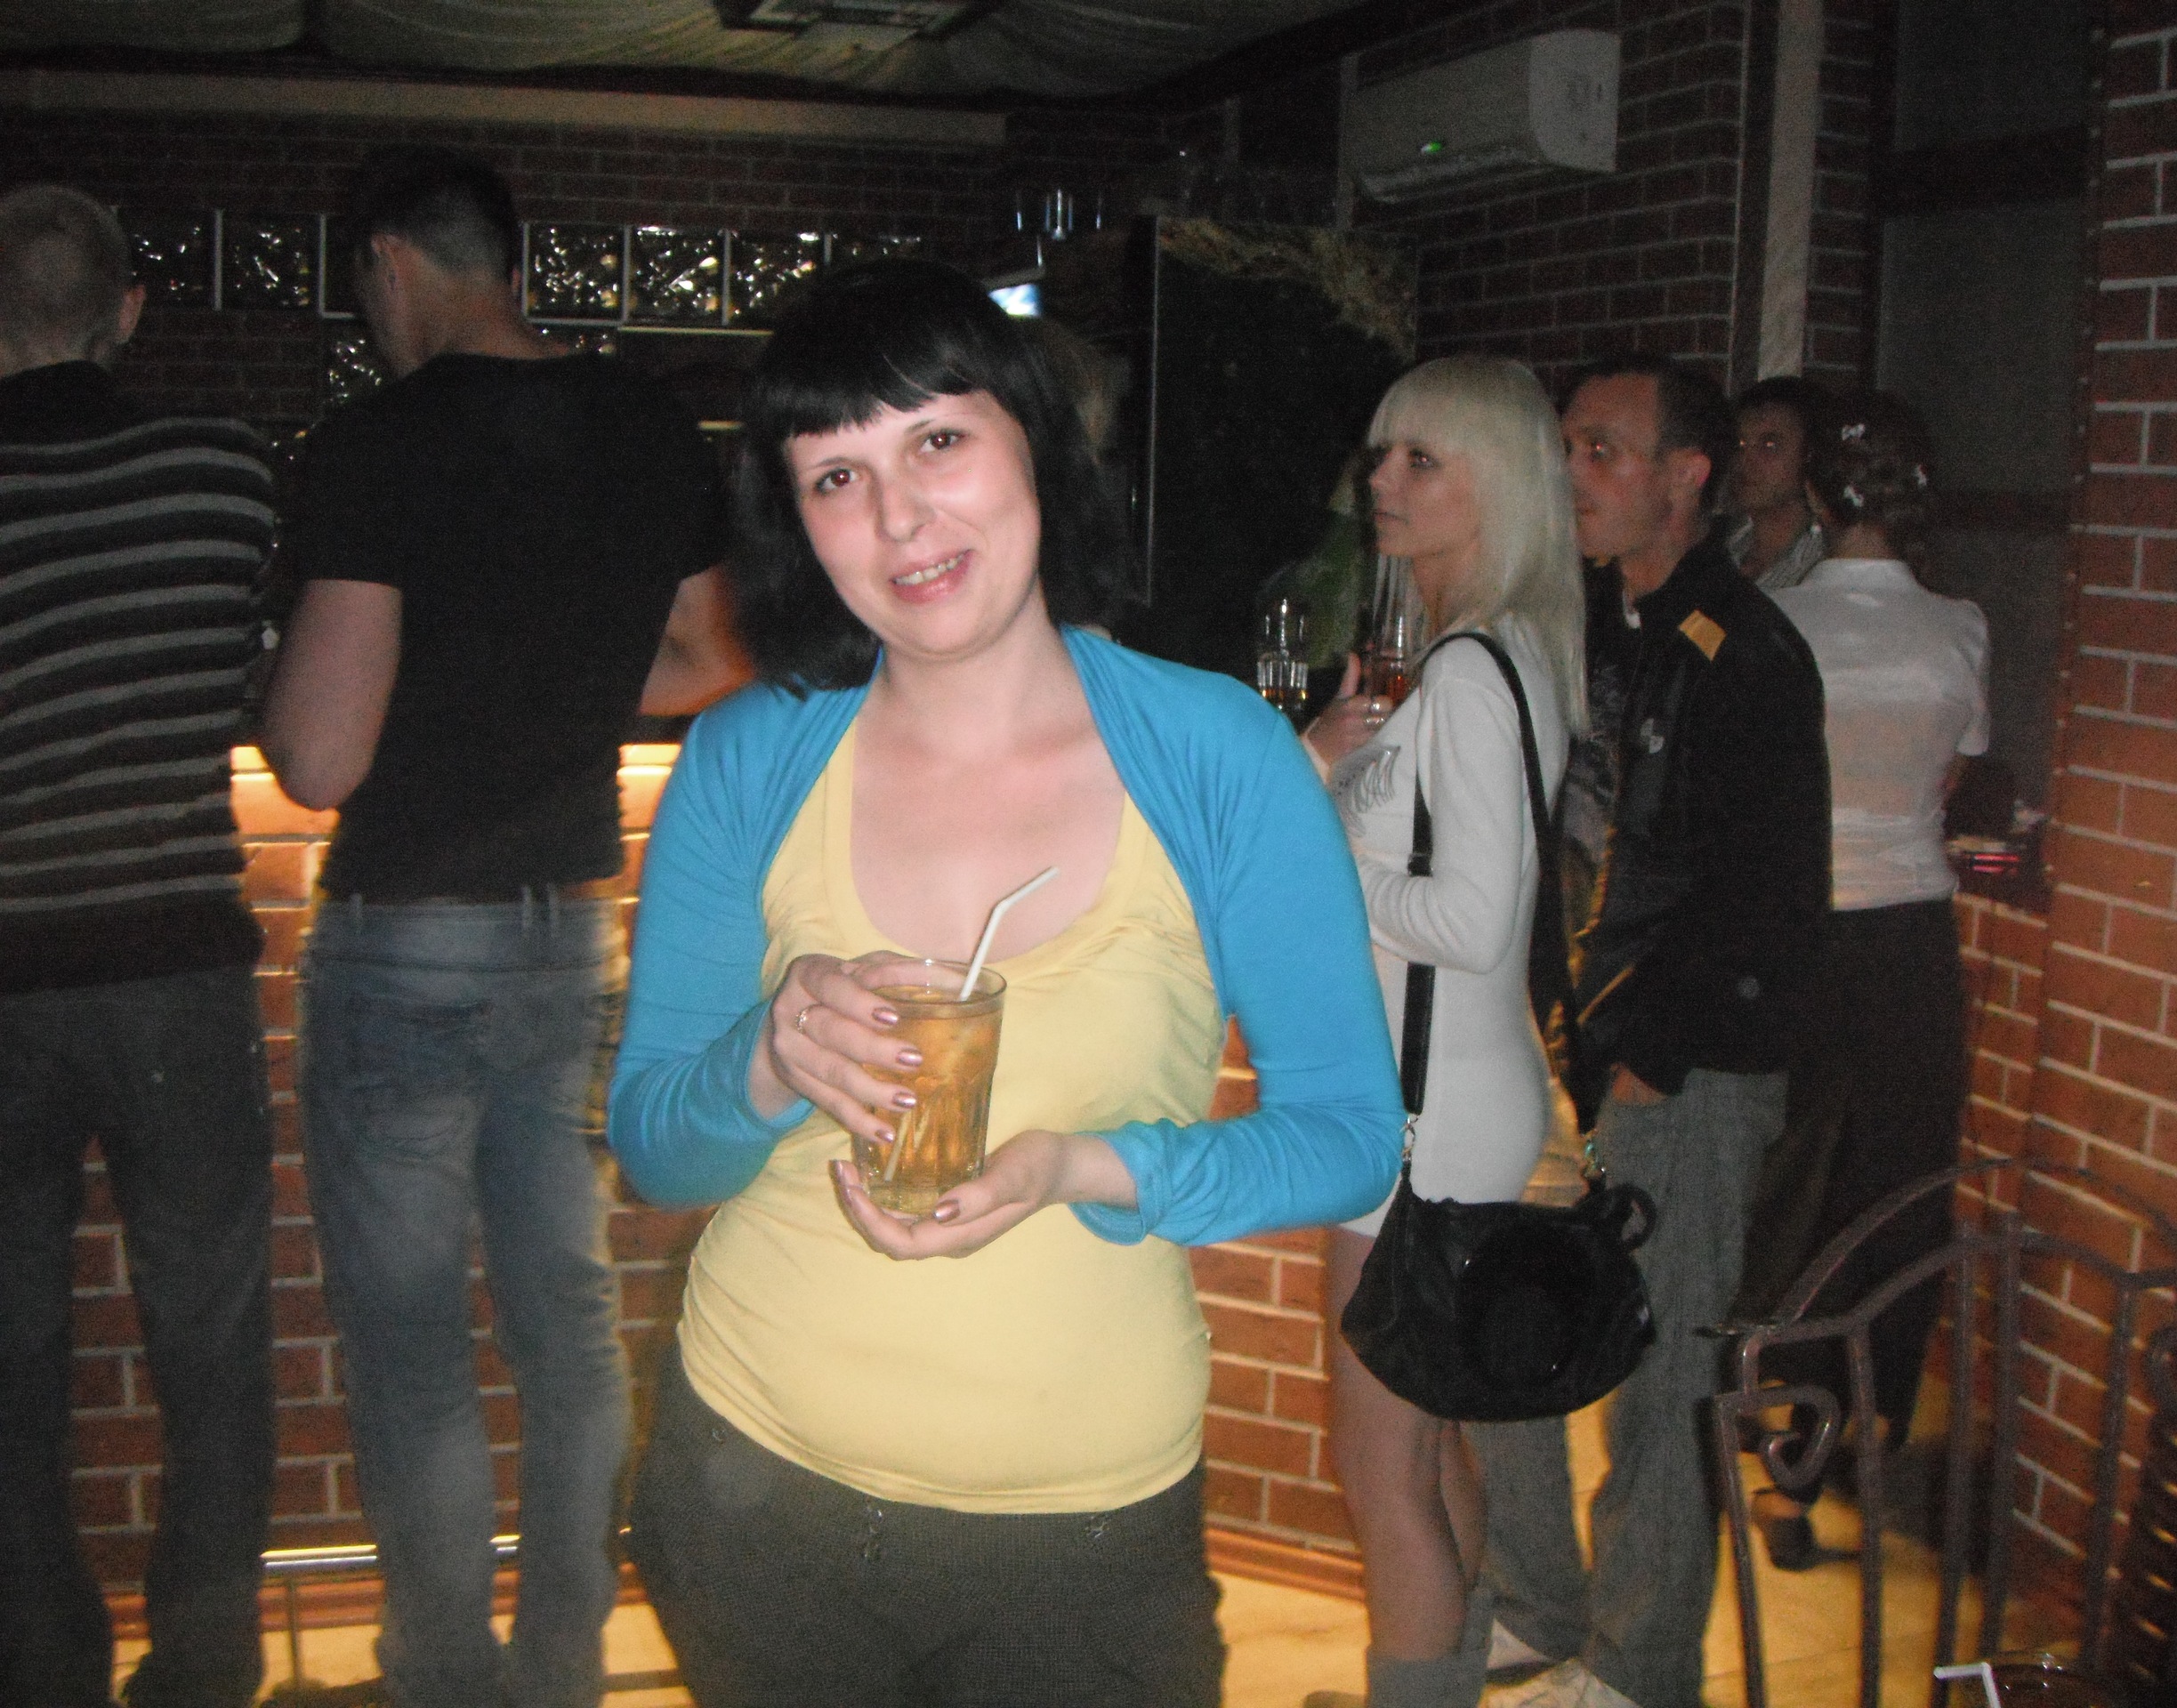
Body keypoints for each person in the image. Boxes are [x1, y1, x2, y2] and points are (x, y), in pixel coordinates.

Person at [607, 257, 1404, 1707]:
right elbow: (660, 1153)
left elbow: (1352, 1137)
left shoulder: (1218, 755)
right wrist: (768, 1059)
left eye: (936, 440)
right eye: (836, 477)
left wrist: (1083, 1168)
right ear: (796, 522)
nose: (900, 517)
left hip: (1085, 1532)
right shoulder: (746, 758)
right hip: (753, 1496)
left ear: (1032, 438)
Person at [258, 146, 732, 1708]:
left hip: (407, 933)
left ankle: (444, 1675)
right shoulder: (643, 422)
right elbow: (711, 651)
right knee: (568, 1323)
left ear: (392, 262)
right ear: (511, 263)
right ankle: (560, 1665)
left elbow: (319, 759)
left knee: (413, 1348)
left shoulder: (375, 443)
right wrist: (548, 695)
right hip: (566, 927)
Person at [1475, 354, 1830, 1708]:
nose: (1570, 472)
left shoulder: (1747, 654)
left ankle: (1638, 1667)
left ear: (1687, 476)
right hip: (1574, 1047)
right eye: (1565, 445)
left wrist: (1648, 1055)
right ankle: (1540, 1605)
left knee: (1663, 1375)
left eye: (1601, 449)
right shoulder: (1594, 628)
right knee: (1501, 1319)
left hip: (1679, 1068)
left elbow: (1764, 896)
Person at [0, 185, 277, 1708]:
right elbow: (248, 677)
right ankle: (206, 1669)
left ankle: (41, 1669)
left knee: (9, 1361)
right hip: (175, 959)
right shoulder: (222, 470)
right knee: (214, 1342)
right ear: (127, 309)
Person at [1298, 357, 1588, 1708]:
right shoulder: (1489, 650)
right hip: (1444, 1094)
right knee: (1424, 1447)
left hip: (1427, 1110)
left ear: (1498, 485)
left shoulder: (1471, 669)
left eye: (1422, 459)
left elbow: (1471, 922)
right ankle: (1446, 1680)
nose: (1383, 480)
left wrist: (1328, 855)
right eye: (1381, 454)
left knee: (1382, 1464)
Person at [1742, 392, 1988, 1570]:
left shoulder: (1773, 618)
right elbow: (1951, 775)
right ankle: (1856, 1439)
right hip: (1909, 944)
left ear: (1819, 498)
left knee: (1794, 1195)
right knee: (1902, 1195)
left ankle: (1780, 1453)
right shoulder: (1960, 627)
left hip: (1797, 937)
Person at [1725, 375, 1832, 592]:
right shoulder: (1718, 546)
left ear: (1810, 454)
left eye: (1769, 446)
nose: (1744, 459)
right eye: (1740, 443)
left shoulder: (1825, 563)